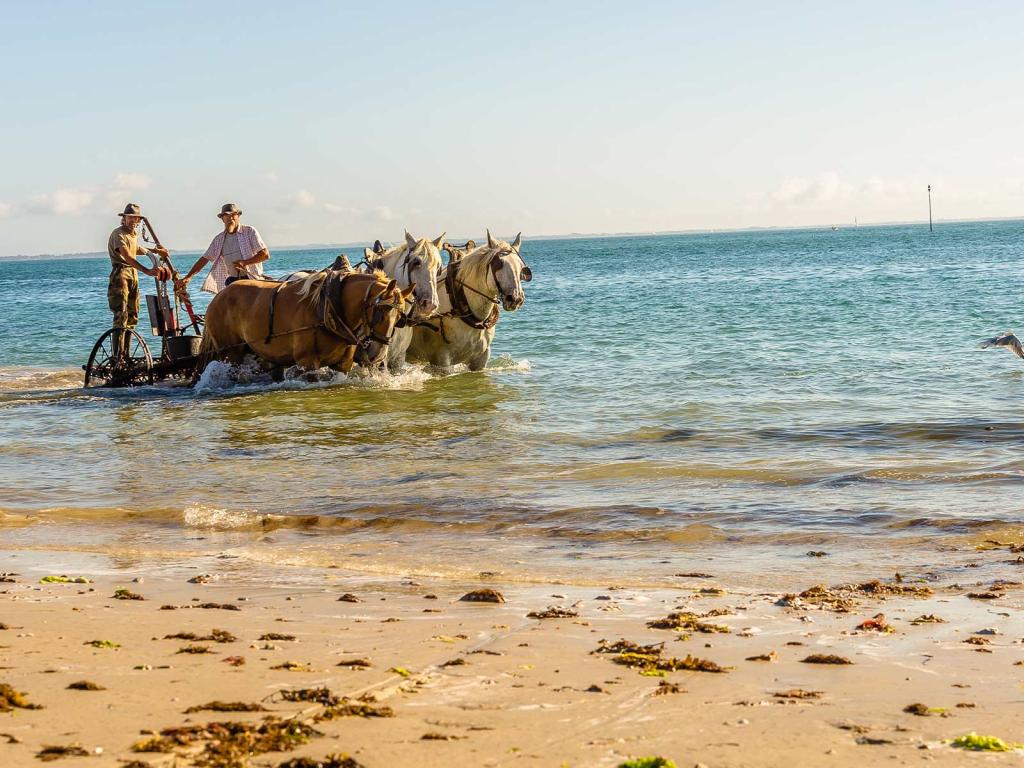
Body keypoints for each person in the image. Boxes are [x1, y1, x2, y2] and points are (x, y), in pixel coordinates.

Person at [107, 203, 169, 356]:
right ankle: (117, 356)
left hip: (133, 276)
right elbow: (127, 255)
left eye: (136, 218)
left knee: (133, 315)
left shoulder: (132, 234)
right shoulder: (119, 234)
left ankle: (126, 354)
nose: (133, 221)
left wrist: (154, 251)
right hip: (121, 275)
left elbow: (136, 248)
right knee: (121, 316)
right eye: (130, 218)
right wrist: (147, 271)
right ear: (124, 218)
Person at [175, 203, 270, 294]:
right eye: (226, 215)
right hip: (233, 281)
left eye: (233, 215)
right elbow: (205, 258)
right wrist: (188, 277)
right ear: (222, 219)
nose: (230, 218)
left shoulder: (249, 232)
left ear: (238, 216)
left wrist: (245, 263)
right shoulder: (219, 239)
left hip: (252, 280)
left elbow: (265, 255)